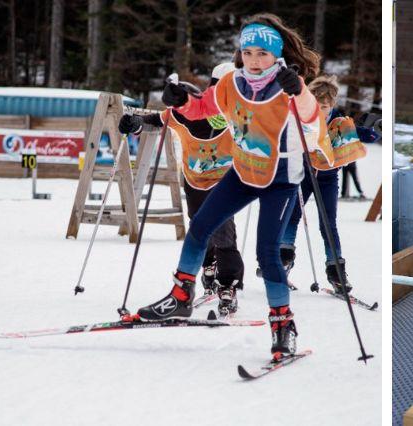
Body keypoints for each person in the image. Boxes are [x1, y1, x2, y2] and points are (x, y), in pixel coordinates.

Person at [135, 13, 330, 363]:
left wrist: (299, 89)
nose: (254, 61)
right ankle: (181, 296)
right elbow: (201, 109)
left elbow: (312, 117)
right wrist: (179, 100)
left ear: (277, 55)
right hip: (242, 172)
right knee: (200, 226)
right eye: (248, 52)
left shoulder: (289, 85)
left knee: (267, 253)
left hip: (281, 179)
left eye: (263, 54)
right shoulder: (230, 83)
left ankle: (283, 326)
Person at [118, 62, 244, 317]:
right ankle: (208, 266)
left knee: (224, 232)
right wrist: (134, 123)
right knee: (198, 226)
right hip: (194, 181)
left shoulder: (240, 117)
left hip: (225, 183)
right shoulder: (184, 113)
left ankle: (228, 285)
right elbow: (157, 119)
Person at [277, 75, 369, 293]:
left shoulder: (338, 122)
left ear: (333, 105)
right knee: (292, 214)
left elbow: (356, 134)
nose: (320, 112)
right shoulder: (301, 118)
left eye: (325, 107)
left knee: (328, 222)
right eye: (316, 106)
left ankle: (336, 270)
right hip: (303, 175)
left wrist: (371, 131)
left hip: (327, 178)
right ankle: (284, 258)